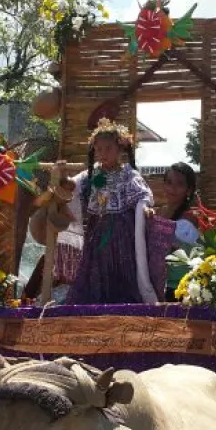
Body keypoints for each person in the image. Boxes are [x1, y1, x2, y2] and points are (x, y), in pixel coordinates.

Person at [56, 119, 162, 305]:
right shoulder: (92, 173)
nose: (102, 153)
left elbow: (144, 196)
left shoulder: (129, 174)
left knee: (122, 264)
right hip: (98, 229)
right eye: (99, 149)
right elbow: (72, 186)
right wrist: (62, 174)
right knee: (97, 264)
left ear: (120, 149)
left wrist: (146, 209)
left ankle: (123, 304)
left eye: (108, 148)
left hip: (123, 231)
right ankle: (97, 303)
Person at [157, 162, 200, 298]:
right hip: (157, 285)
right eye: (169, 182)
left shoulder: (192, 218)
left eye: (179, 184)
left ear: (189, 190)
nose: (172, 188)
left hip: (182, 288)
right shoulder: (156, 214)